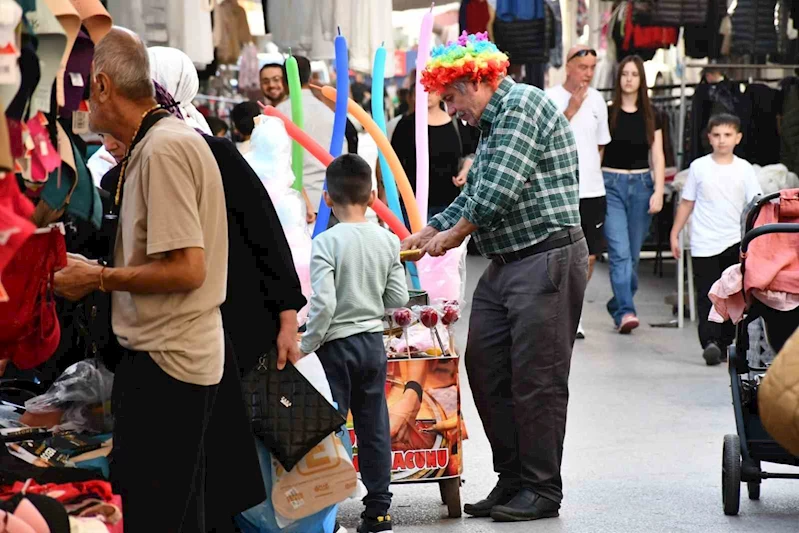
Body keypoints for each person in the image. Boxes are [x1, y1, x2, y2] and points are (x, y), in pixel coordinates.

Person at [402, 32, 588, 523]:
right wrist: (433, 227)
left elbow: (498, 191)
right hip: (509, 262)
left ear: (476, 81)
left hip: (544, 257)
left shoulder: (522, 106)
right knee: (486, 367)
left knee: (538, 380)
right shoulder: (490, 124)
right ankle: (514, 477)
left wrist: (454, 234)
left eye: (452, 97)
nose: (452, 108)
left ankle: (543, 489)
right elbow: (478, 189)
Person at [53, 28, 228, 532]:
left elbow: (187, 268)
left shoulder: (163, 150)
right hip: (170, 356)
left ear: (104, 86)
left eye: (86, 91)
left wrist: (98, 278)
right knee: (173, 512)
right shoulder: (160, 141)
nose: (84, 104)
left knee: (157, 515)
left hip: (168, 361)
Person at [299, 154, 409, 533]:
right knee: (373, 425)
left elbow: (324, 304)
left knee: (330, 428)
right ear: (373, 194)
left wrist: (306, 344)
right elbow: (397, 298)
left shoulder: (326, 243)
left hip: (334, 349)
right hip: (372, 346)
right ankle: (378, 511)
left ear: (327, 198)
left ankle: (326, 514)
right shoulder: (387, 240)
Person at [670, 114, 762, 366]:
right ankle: (710, 342)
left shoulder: (744, 169)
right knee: (707, 294)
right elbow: (687, 202)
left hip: (735, 240)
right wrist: (675, 232)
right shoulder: (699, 167)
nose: (722, 140)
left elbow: (755, 204)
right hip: (703, 240)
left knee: (733, 294)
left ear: (738, 138)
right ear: (709, 138)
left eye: (728, 135)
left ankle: (724, 342)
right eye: (717, 135)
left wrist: (758, 241)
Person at [546, 45, 612, 340]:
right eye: (583, 66)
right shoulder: (548, 98)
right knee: (559, 253)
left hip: (592, 190)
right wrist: (570, 110)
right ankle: (555, 311)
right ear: (568, 65)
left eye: (593, 67)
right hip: (560, 190)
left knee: (589, 257)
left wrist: (592, 174)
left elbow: (601, 145)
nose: (588, 73)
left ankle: (576, 312)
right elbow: (544, 139)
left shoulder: (598, 99)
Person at [601, 55, 666, 334]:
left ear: (642, 80)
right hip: (610, 184)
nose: (629, 79)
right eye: (624, 74)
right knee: (619, 253)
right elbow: (598, 153)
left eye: (634, 74)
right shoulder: (608, 111)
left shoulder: (654, 114)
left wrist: (660, 191)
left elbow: (658, 156)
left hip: (642, 186)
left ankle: (618, 301)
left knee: (634, 256)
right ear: (618, 79)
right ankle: (626, 311)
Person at [391, 71, 477, 220]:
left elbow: (471, 152)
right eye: (422, 91)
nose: (427, 95)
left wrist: (464, 170)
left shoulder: (457, 122)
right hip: (412, 202)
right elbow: (392, 160)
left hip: (450, 200)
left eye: (431, 91)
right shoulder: (406, 124)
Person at [277, 55, 334, 220]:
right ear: (310, 78)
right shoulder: (328, 113)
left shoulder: (278, 113)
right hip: (328, 200)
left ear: (284, 80)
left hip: (292, 204)